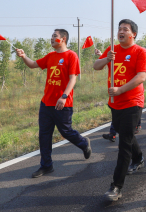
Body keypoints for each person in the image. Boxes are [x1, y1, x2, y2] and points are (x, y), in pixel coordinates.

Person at [16, 29, 92, 178]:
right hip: (46, 103)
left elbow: (73, 79)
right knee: (44, 135)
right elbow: (33, 64)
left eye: (54, 36)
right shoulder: (50, 56)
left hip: (62, 103)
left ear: (63, 39)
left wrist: (64, 96)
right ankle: (46, 165)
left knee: (66, 132)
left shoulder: (71, 55)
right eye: (51, 36)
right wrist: (24, 56)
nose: (51, 38)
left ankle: (84, 143)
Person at [93, 19, 146, 202]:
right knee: (124, 133)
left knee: (124, 143)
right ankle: (139, 158)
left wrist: (120, 90)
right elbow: (96, 66)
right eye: (119, 29)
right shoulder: (112, 50)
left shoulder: (140, 52)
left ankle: (116, 187)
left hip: (133, 102)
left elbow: (141, 77)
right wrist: (106, 59)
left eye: (125, 29)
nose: (121, 31)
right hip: (115, 103)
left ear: (133, 34)